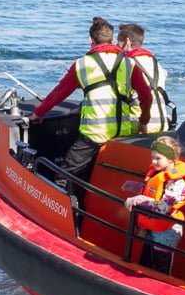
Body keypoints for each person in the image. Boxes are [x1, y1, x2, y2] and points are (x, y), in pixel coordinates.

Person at [31, 17, 152, 189]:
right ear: (111, 39)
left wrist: (39, 113)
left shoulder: (83, 64)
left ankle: (60, 201)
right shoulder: (129, 63)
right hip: (122, 134)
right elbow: (146, 95)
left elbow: (59, 93)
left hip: (95, 134)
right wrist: (143, 121)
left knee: (64, 174)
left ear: (90, 40)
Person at [124, 136, 185, 274]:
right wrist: (137, 186)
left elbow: (163, 207)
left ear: (171, 159)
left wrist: (139, 200)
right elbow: (155, 191)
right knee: (145, 264)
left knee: (161, 268)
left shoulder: (177, 182)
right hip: (151, 227)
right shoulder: (159, 173)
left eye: (158, 158)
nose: (153, 161)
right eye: (152, 157)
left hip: (166, 230)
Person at [119, 22, 173, 134]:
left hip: (139, 126)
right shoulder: (154, 62)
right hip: (162, 123)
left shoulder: (127, 64)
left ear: (127, 42)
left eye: (118, 41)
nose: (116, 45)